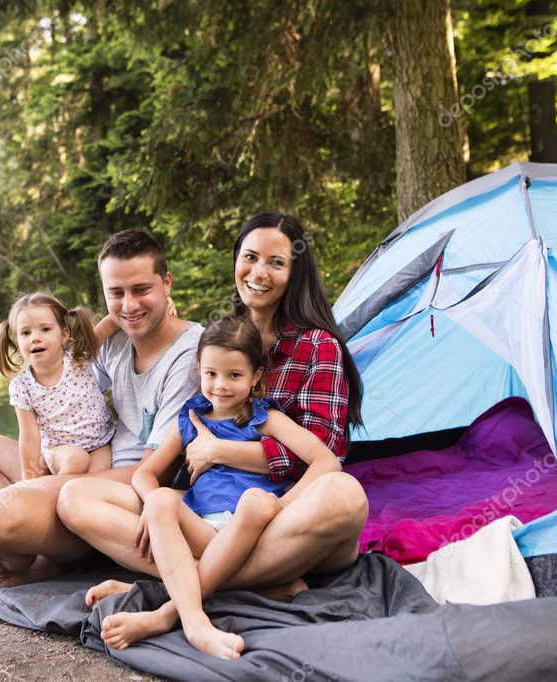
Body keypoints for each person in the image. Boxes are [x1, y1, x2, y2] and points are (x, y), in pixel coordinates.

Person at [58, 211, 368, 609]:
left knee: (345, 496)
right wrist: (108, 324)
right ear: (236, 258)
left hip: (282, 514)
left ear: (296, 272)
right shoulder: (218, 336)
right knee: (74, 497)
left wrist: (220, 452)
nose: (259, 272)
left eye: (276, 262)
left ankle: (172, 591)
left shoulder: (316, 346)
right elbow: (173, 444)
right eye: (250, 257)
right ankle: (251, 582)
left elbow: (326, 456)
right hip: (206, 510)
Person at [0, 230, 202, 584]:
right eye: (116, 293)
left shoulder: (190, 356)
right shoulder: (118, 340)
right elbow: (71, 376)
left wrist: (55, 485)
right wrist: (43, 469)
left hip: (125, 492)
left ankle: (26, 551)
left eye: (141, 290)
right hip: (81, 470)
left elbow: (157, 471)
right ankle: (37, 547)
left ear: (167, 284)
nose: (129, 305)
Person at [95, 316, 341, 659]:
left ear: (256, 376)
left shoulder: (264, 417)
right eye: (211, 374)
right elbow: (143, 474)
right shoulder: (191, 417)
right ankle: (206, 612)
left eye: (234, 375)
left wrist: (282, 506)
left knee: (256, 501)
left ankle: (170, 614)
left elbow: (326, 461)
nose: (221, 386)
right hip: (203, 530)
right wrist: (153, 507)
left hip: (253, 529)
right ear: (199, 370)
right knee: (163, 500)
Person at [0, 292, 115, 477]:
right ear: (17, 342)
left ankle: (64, 499)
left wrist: (164, 307)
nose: (35, 337)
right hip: (60, 451)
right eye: (26, 333)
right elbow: (29, 438)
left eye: (45, 329)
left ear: (64, 334)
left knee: (96, 480)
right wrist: (30, 479)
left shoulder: (79, 357)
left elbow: (111, 323)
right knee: (77, 459)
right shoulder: (22, 386)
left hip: (100, 442)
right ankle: (46, 492)